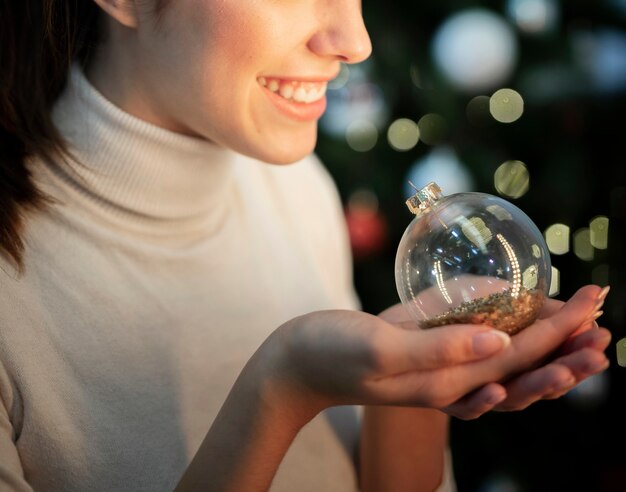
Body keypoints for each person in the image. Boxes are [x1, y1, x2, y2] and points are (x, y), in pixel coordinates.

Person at [0, 1, 612, 491]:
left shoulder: (295, 187)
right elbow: (289, 385)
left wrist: (410, 381)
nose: (355, 39)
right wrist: (281, 390)